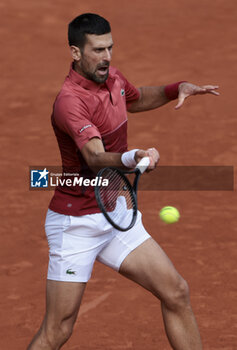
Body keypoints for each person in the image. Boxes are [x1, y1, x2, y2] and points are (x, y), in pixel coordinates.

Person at [27, 13, 219, 350]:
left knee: (175, 291)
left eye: (110, 48)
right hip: (76, 224)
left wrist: (176, 89)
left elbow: (138, 98)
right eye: (98, 50)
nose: (107, 57)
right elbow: (95, 157)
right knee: (58, 330)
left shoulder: (112, 78)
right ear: (75, 53)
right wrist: (135, 158)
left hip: (115, 214)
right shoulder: (70, 101)